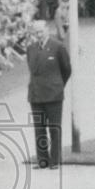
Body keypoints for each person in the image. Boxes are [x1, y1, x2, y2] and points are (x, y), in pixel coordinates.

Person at [26, 18, 71, 169]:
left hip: (54, 95)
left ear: (47, 30)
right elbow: (32, 69)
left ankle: (55, 160)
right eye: (36, 32)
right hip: (36, 95)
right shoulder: (31, 48)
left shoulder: (58, 47)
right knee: (39, 129)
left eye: (41, 31)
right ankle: (42, 160)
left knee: (54, 128)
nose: (38, 34)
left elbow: (66, 69)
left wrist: (57, 85)